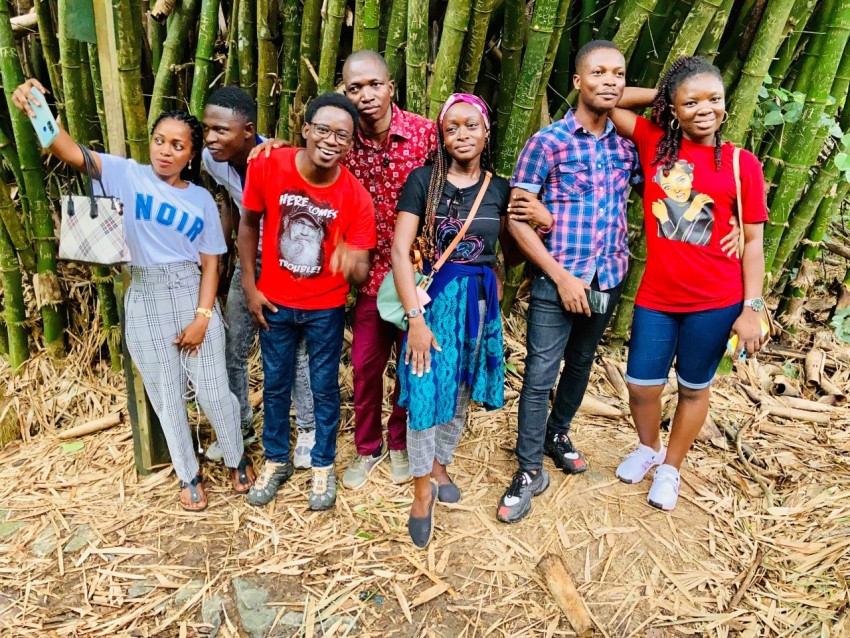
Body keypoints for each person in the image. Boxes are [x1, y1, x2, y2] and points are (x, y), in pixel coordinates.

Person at [12, 79, 256, 511]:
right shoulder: (125, 174)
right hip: (143, 292)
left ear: (190, 154)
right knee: (165, 394)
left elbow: (212, 264)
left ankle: (237, 456)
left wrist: (203, 316)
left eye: (177, 145)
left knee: (215, 390)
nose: (165, 150)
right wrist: (37, 109)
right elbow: (62, 148)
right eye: (159, 140)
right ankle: (189, 473)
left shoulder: (201, 198)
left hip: (189, 292)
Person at [252, 50, 438, 489]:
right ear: (343, 92)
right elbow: (305, 160)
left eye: (375, 85)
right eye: (355, 88)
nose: (367, 95)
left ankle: (400, 443)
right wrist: (271, 143)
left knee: (412, 364)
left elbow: (459, 175)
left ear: (392, 85)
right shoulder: (341, 137)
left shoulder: (426, 134)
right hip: (366, 277)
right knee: (365, 365)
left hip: (417, 274)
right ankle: (368, 447)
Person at [609, 56, 767, 511]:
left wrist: (752, 307)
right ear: (672, 109)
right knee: (641, 385)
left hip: (716, 300)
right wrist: (659, 97)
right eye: (691, 101)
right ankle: (648, 448)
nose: (705, 110)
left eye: (714, 100)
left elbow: (753, 243)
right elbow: (605, 98)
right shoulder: (652, 139)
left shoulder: (742, 164)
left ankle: (671, 468)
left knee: (695, 388)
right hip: (657, 297)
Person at [495, 41, 640, 524]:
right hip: (556, 280)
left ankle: (558, 433)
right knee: (539, 375)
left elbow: (666, 112)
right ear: (577, 81)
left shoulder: (626, 146)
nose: (609, 81)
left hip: (609, 274)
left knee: (579, 365)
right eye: (597, 72)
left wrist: (623, 100)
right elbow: (517, 218)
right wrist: (560, 277)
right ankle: (528, 469)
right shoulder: (548, 142)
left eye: (618, 74)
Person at [239, 93, 376, 510]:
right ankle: (276, 459)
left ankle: (322, 465)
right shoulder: (268, 164)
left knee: (323, 388)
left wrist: (351, 264)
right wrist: (250, 286)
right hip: (275, 302)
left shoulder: (356, 197)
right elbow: (247, 225)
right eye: (323, 129)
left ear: (352, 144)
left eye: (342, 135)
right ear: (305, 129)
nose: (331, 141)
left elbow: (362, 269)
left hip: (325, 308)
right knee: (276, 384)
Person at [393, 94, 512, 548]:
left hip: (478, 303)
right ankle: (422, 489)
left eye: (471, 126)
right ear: (442, 137)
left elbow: (505, 252)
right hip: (432, 302)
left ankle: (441, 462)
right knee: (426, 389)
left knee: (460, 388)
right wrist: (415, 318)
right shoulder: (424, 180)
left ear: (486, 132)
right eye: (452, 128)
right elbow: (400, 251)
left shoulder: (500, 188)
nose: (462, 135)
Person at [201, 86, 316, 469]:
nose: (211, 138)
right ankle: (239, 427)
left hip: (288, 267)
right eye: (207, 129)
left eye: (221, 130)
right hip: (249, 262)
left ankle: (309, 432)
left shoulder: (281, 158)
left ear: (248, 130)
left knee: (294, 351)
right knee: (231, 347)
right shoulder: (211, 160)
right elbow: (232, 206)